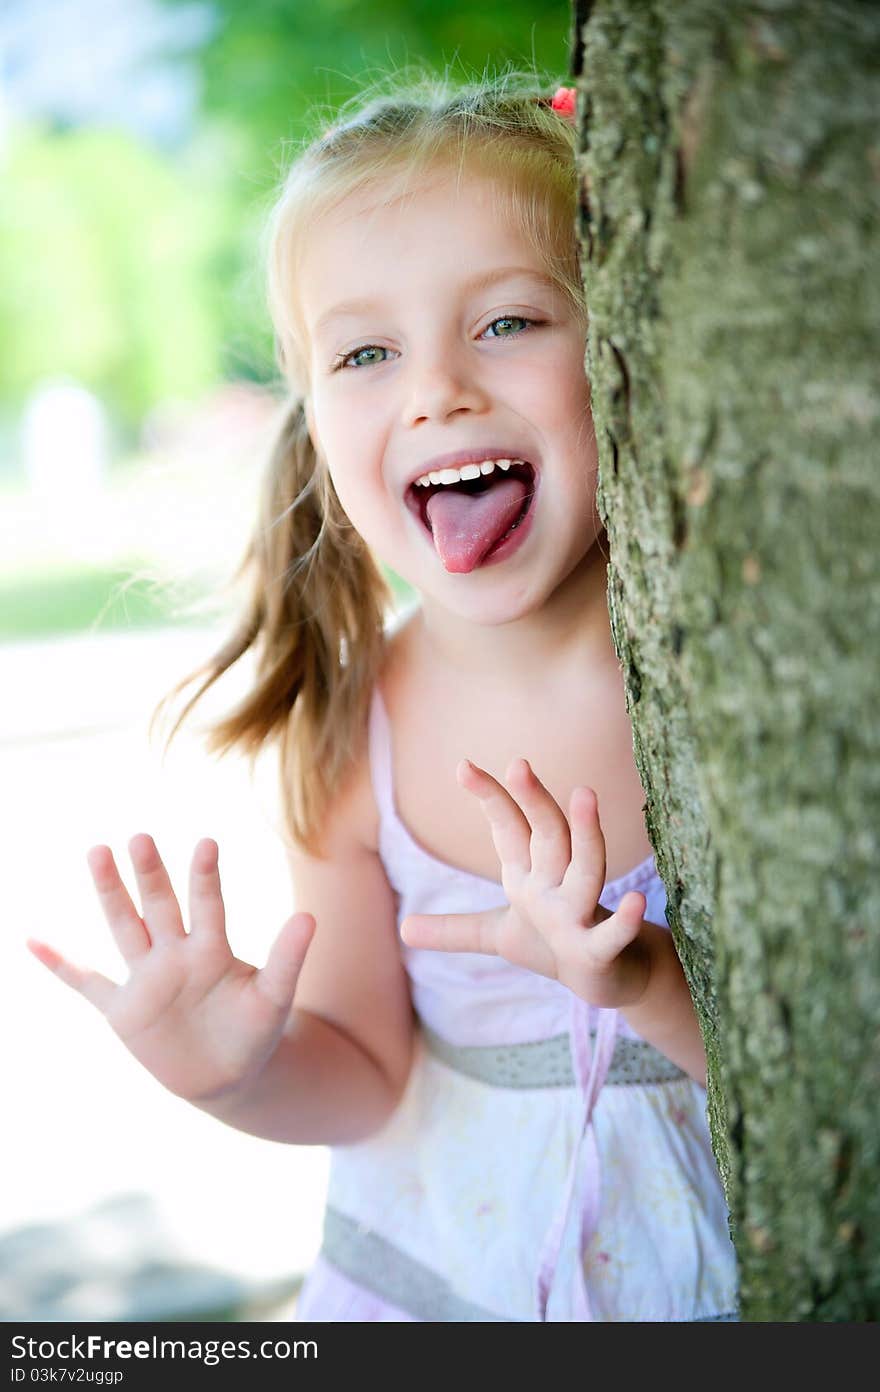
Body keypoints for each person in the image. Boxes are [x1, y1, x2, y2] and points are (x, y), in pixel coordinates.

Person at [28, 74, 739, 1322]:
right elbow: (358, 1077)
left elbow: (816, 1083)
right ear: (313, 422)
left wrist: (639, 984)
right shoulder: (357, 733)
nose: (434, 392)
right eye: (365, 351)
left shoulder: (732, 680)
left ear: (624, 341)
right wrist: (231, 1077)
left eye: (509, 321)